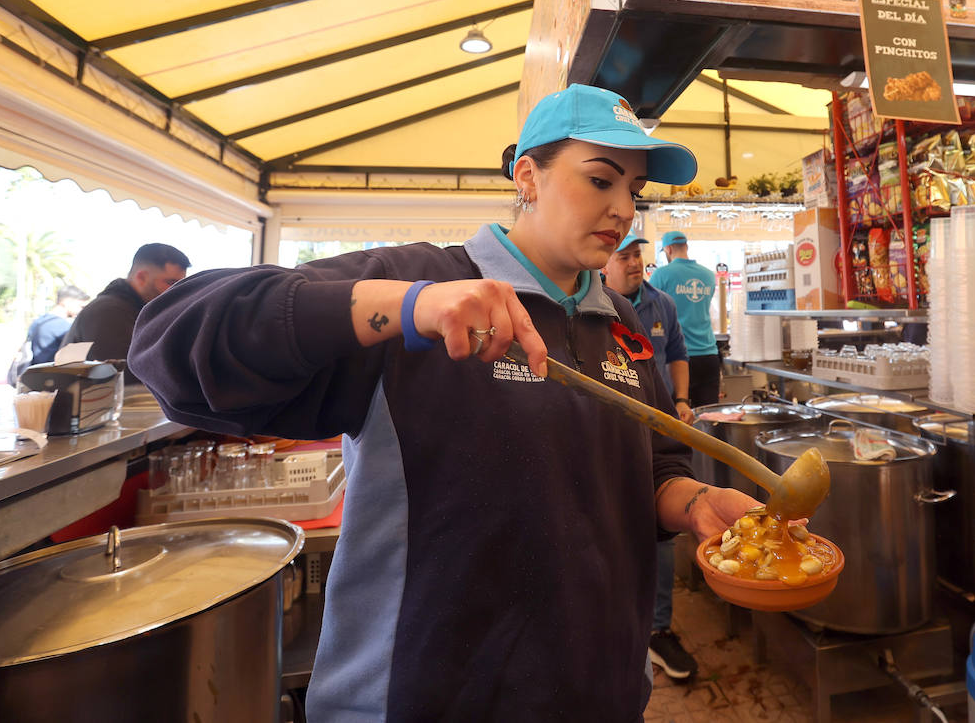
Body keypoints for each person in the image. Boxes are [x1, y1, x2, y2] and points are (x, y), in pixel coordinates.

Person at [128, 84, 758, 722]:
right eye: (601, 180)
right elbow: (171, 343)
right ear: (528, 178)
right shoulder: (421, 284)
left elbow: (646, 468)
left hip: (601, 689)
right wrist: (408, 305)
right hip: (430, 694)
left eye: (636, 190)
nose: (623, 208)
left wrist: (698, 504)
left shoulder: (621, 320)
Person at [601, 234, 697, 682]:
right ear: (605, 262)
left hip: (656, 434)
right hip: (607, 436)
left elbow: (677, 354)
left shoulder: (662, 304)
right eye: (626, 256)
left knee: (661, 531)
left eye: (638, 254)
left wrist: (679, 399)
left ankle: (658, 630)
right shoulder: (591, 308)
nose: (635, 263)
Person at [63, 244, 190, 365]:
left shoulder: (134, 310)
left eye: (181, 284)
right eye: (171, 282)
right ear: (141, 277)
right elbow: (127, 376)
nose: (177, 290)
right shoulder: (108, 312)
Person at [648, 231, 721, 407]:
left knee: (679, 418)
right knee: (709, 417)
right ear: (686, 246)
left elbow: (649, 308)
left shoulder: (661, 275)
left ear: (668, 249)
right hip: (709, 354)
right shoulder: (708, 276)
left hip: (679, 359)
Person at [7, 285, 90, 384]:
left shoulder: (39, 321)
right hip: (52, 380)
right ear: (66, 302)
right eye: (81, 306)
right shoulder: (61, 325)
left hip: (34, 377)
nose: (82, 310)